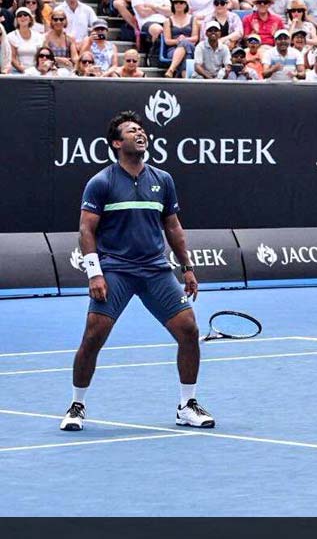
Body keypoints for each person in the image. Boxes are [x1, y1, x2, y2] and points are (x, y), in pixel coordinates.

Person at [59, 111, 213, 433]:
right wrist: (94, 273)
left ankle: (187, 405)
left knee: (188, 330)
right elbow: (86, 231)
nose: (140, 134)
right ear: (117, 142)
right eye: (132, 131)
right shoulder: (102, 182)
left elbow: (173, 227)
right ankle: (77, 404)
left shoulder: (163, 180)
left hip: (156, 270)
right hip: (116, 270)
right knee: (93, 336)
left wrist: (187, 268)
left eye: (142, 130)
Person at [162, 0, 198, 77]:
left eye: (181, 2)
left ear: (186, 5)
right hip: (173, 49)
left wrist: (185, 40)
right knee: (186, 55)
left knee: (185, 43)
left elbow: (195, 38)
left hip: (191, 46)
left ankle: (171, 69)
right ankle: (185, 80)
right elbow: (167, 41)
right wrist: (178, 41)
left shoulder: (193, 19)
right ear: (173, 5)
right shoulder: (168, 21)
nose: (178, 4)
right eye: (176, 2)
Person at [7, 5, 43, 71]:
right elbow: (12, 58)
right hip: (16, 71)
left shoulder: (38, 36)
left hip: (35, 71)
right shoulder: (10, 36)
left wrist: (37, 70)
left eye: (25, 15)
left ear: (30, 19)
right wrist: (23, 70)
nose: (22, 17)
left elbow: (40, 56)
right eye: (19, 15)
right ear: (17, 20)